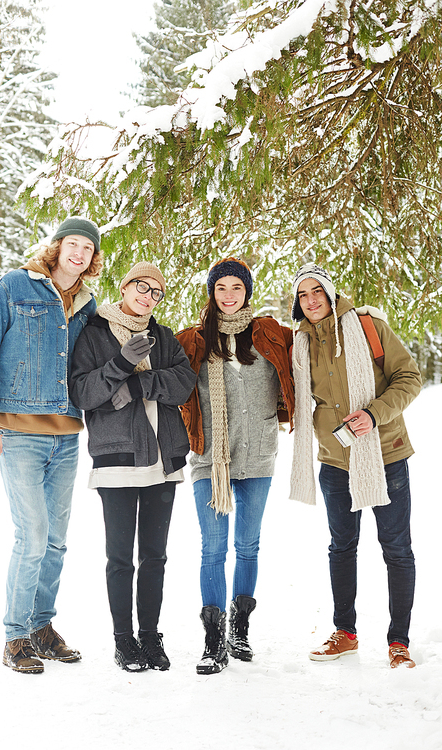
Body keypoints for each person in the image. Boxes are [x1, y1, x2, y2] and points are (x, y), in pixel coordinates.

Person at [0, 216, 103, 674]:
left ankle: (42, 627)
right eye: (73, 243)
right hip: (20, 432)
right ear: (58, 246)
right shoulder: (13, 287)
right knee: (33, 537)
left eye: (88, 247)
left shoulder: (88, 304)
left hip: (66, 435)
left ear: (92, 258)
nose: (79, 253)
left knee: (58, 541)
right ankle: (15, 637)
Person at [289, 263, 422, 668]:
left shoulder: (367, 326)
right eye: (303, 295)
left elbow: (409, 377)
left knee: (396, 549)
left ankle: (398, 641)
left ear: (331, 293)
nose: (311, 301)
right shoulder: (300, 343)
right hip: (334, 459)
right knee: (341, 548)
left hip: (386, 453)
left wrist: (375, 413)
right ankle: (345, 633)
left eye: (317, 292)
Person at [69, 261, 196, 673]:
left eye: (156, 292)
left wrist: (140, 383)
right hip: (117, 459)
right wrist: (120, 364)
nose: (147, 296)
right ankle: (124, 639)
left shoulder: (162, 336)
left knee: (155, 557)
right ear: (124, 287)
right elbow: (83, 392)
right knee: (120, 558)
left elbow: (184, 382)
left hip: (164, 460)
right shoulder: (95, 333)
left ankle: (150, 636)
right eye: (141, 287)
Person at [176, 257, 295, 675]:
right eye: (221, 288)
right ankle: (213, 640)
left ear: (247, 291)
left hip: (259, 455)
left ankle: (239, 629)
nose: (229, 296)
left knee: (248, 546)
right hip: (211, 460)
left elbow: (316, 335)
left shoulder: (268, 334)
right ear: (212, 292)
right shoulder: (192, 340)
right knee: (213, 547)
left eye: (236, 288)